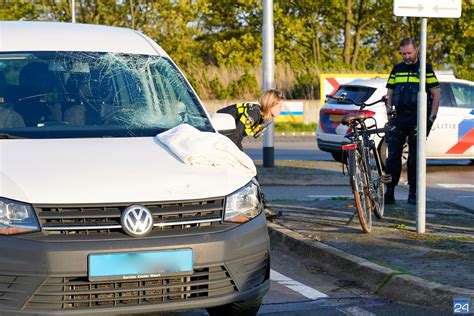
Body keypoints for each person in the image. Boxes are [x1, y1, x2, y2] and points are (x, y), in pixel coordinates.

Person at [384, 38, 441, 205]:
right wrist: (389, 113)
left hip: (418, 118)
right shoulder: (397, 69)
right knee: (393, 157)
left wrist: (431, 117)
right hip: (399, 117)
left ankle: (413, 193)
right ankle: (389, 191)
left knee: (415, 158)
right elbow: (389, 93)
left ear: (417, 50)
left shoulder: (425, 69)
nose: (406, 56)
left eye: (409, 53)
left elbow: (436, 94)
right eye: (403, 54)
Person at [217, 89, 284, 151]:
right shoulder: (253, 113)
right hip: (215, 128)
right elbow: (235, 136)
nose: (281, 109)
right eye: (279, 106)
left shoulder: (260, 116)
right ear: (270, 105)